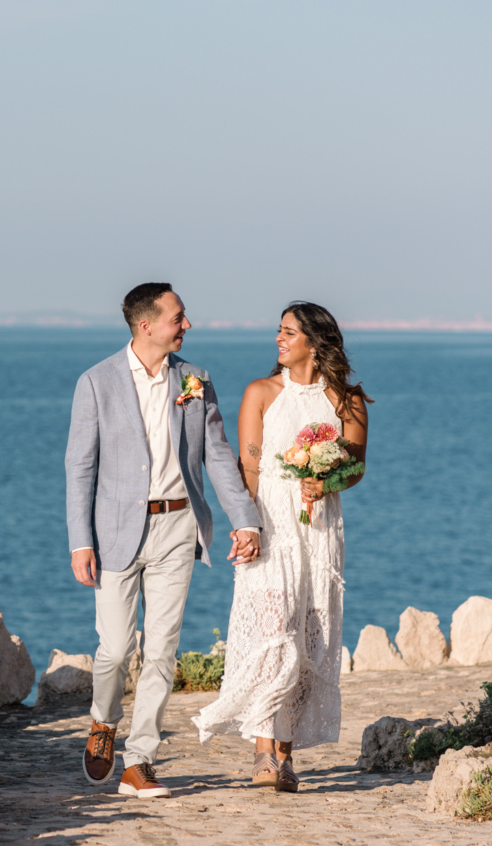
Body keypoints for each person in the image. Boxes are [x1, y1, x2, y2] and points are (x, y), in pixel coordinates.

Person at [65, 283, 263, 800]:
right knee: (113, 650)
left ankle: (140, 760)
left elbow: (218, 457)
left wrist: (246, 520)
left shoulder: (196, 380)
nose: (188, 325)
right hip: (112, 534)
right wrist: (79, 540)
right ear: (146, 325)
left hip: (178, 528)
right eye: (179, 317)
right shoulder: (96, 382)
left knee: (161, 650)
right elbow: (80, 468)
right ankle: (103, 721)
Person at [191, 301, 370, 792]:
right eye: (279, 331)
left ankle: (286, 757)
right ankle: (262, 752)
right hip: (271, 525)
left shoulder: (347, 401)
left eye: (289, 332)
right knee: (274, 632)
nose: (279, 339)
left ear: (314, 342)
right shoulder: (261, 393)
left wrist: (328, 483)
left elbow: (356, 467)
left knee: (310, 634)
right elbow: (248, 469)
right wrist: (245, 526)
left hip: (318, 531)